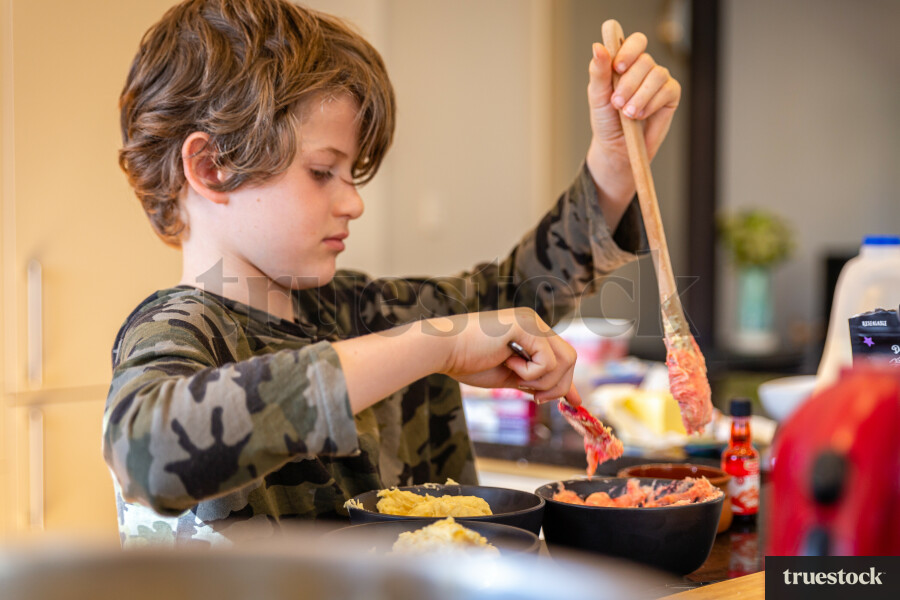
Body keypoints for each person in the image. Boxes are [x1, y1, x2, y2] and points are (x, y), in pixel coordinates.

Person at [103, 0, 680, 547]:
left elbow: (520, 297)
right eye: (323, 171)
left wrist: (612, 160)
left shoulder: (366, 310)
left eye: (351, 174)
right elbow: (145, 452)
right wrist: (431, 347)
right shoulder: (178, 329)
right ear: (210, 167)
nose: (353, 202)